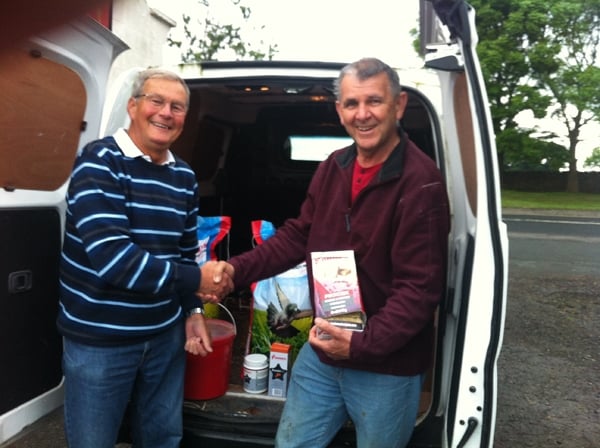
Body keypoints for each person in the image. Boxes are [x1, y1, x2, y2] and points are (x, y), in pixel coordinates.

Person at [211, 57, 450, 447]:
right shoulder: (333, 167)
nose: (363, 114)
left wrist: (360, 344)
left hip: (386, 366)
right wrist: (236, 270)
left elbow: (419, 289)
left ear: (399, 106)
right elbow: (297, 237)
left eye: (374, 101)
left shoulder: (421, 184)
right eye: (352, 104)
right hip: (324, 351)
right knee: (292, 443)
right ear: (339, 110)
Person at [57, 68, 233, 448]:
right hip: (101, 340)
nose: (166, 113)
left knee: (163, 437)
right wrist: (198, 282)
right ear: (133, 106)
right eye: (156, 101)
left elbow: (187, 253)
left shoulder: (183, 176)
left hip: (164, 336)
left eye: (177, 106)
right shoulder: (99, 163)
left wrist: (193, 313)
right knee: (94, 442)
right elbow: (115, 260)